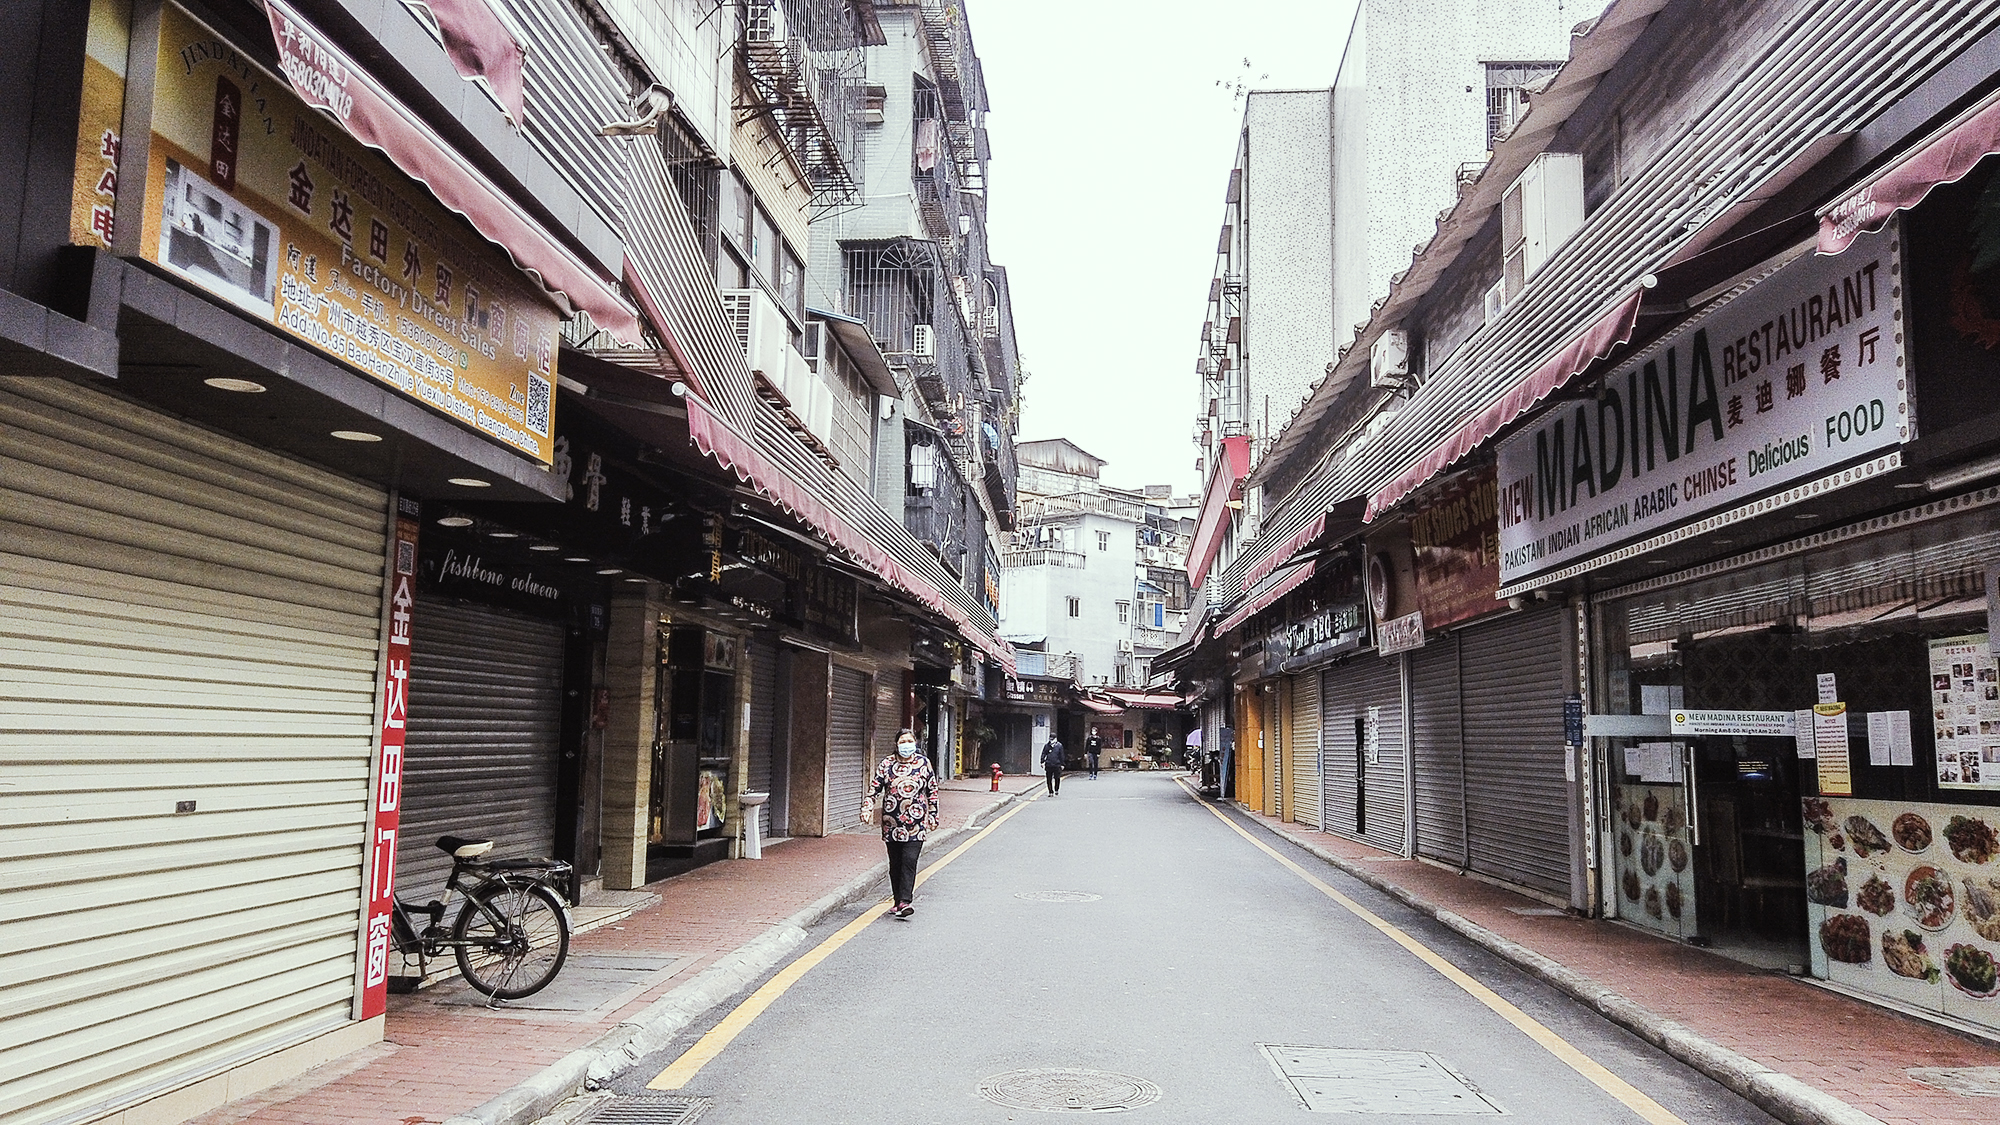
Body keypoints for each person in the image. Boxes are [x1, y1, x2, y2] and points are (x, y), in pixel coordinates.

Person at [861, 728, 938, 918]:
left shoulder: (923, 764)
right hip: (891, 823)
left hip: (916, 823)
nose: (906, 745)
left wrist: (933, 815)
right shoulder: (887, 764)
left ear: (916, 743)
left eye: (909, 741)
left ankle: (905, 901)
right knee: (896, 862)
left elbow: (932, 791)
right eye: (902, 741)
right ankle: (897, 901)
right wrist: (867, 807)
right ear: (896, 744)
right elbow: (874, 788)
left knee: (910, 860)